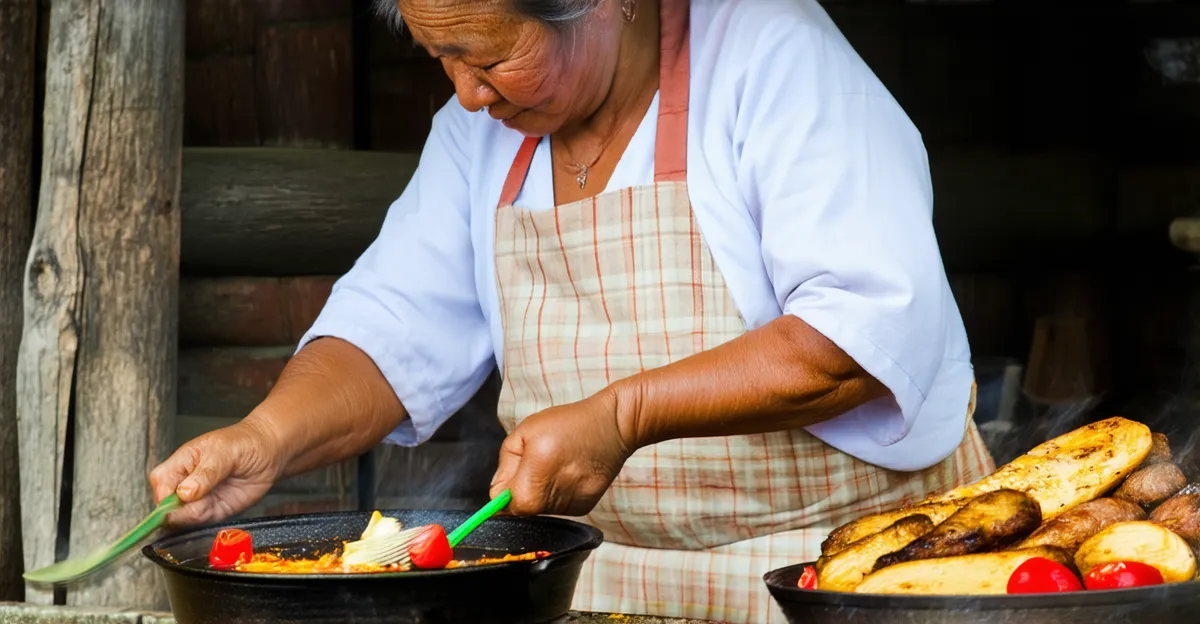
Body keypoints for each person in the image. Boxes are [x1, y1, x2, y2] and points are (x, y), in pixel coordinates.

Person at [151, 0, 995, 620]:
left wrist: (621, 414)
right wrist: (263, 438)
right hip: (605, 594)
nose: (468, 93)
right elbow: (391, 328)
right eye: (440, 55)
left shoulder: (775, 57)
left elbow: (857, 335)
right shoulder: (477, 131)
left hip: (846, 581)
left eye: (488, 57)